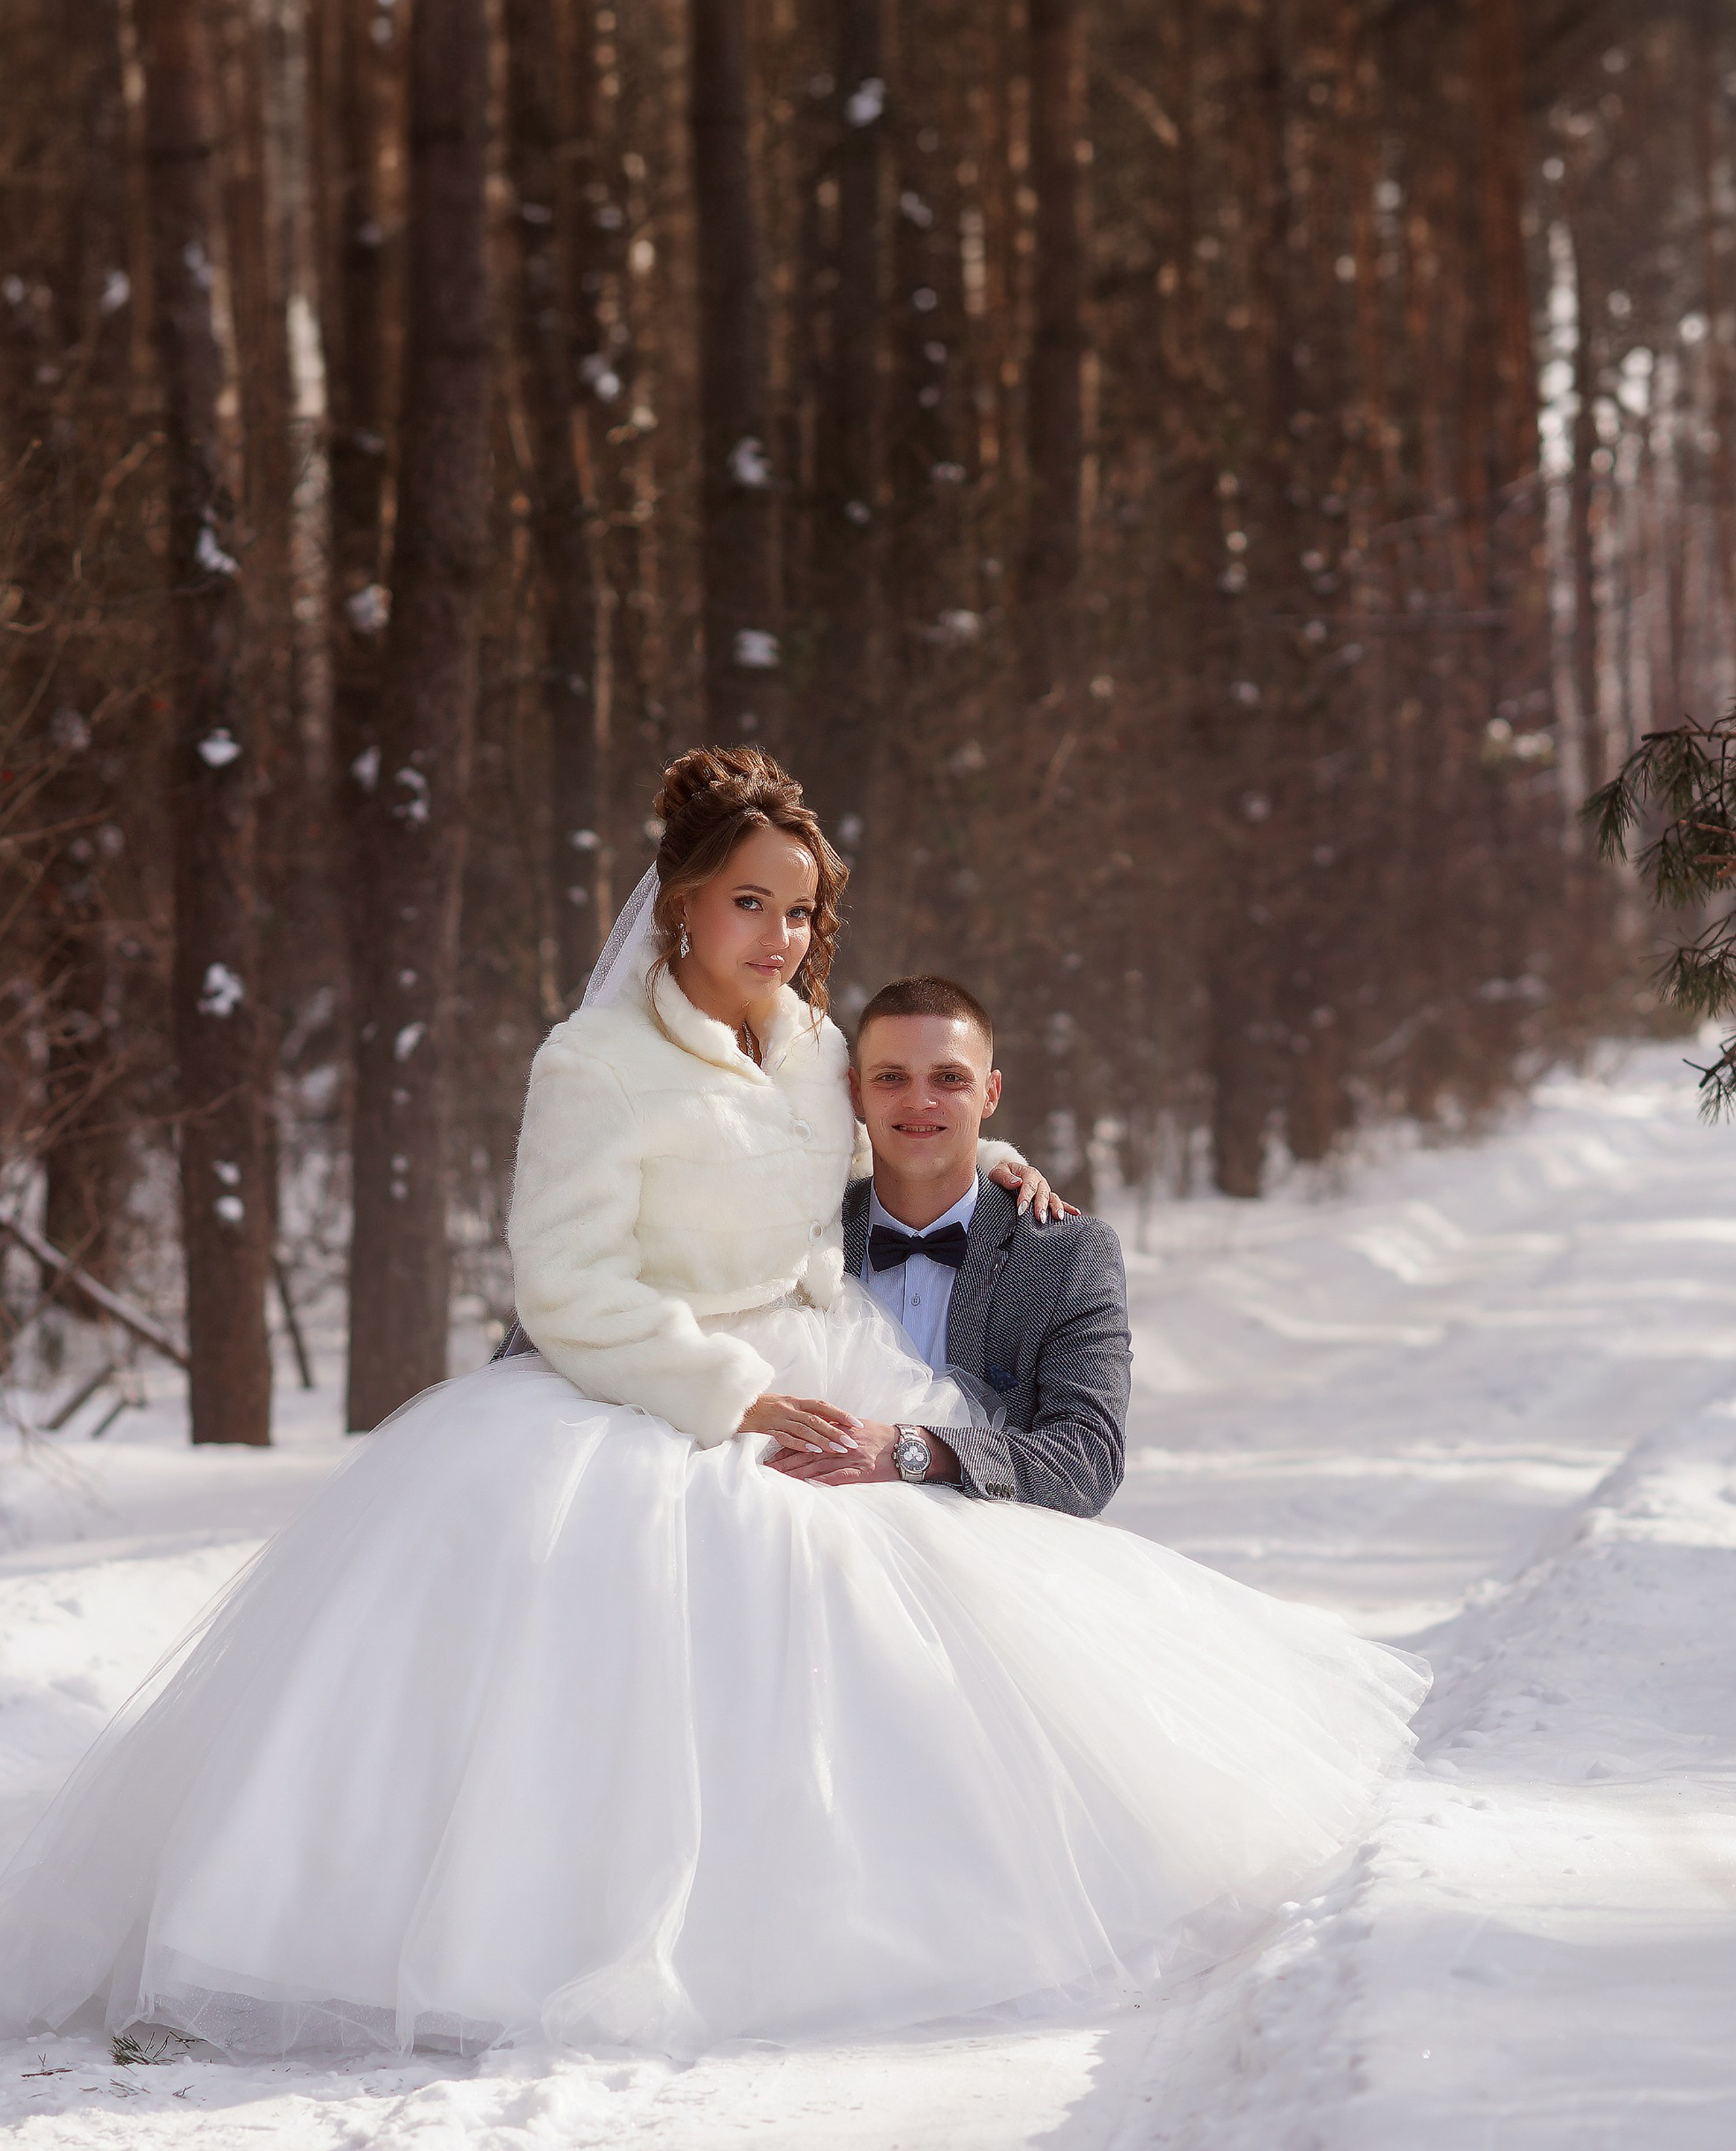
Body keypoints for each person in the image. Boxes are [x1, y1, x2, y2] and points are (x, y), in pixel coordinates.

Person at [0, 745, 1428, 2063]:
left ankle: (896, 1910)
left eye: (801, 913)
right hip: (636, 1392)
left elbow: (886, 1123)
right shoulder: (594, 1065)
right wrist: (734, 1402)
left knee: (916, 1610)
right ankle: (477, 1945)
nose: (779, 938)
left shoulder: (812, 1047)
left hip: (822, 1356)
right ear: (678, 907)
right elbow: (568, 1289)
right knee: (617, 1652)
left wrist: (994, 1154)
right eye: (749, 905)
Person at [766, 974, 1130, 1514]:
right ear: (855, 1093)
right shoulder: (798, 1231)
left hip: (999, 1559)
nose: (919, 1101)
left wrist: (916, 1452)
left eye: (949, 1078)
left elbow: (1086, 1463)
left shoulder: (1069, 1253)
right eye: (891, 1077)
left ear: (991, 1093)